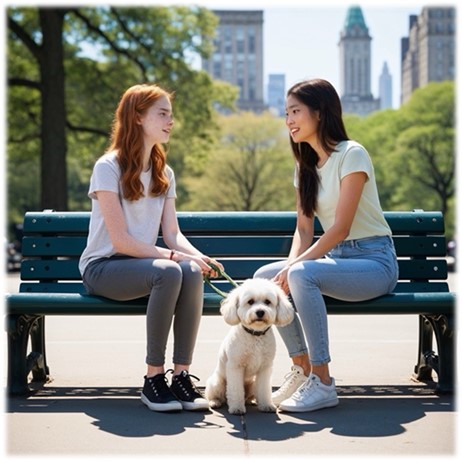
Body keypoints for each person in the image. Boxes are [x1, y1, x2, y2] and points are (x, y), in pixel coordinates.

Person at [254, 78, 399, 412]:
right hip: (334, 261)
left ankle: (323, 379)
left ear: (318, 113)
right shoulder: (305, 167)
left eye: (295, 111)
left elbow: (339, 228)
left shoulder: (352, 154)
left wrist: (294, 269)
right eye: (286, 112)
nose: (288, 120)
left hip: (374, 262)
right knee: (266, 277)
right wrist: (285, 272)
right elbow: (303, 230)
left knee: (301, 273)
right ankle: (302, 368)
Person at [79, 83, 223, 412]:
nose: (171, 121)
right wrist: (174, 256)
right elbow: (120, 241)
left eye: (171, 115)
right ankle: (153, 378)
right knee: (170, 269)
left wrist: (197, 257)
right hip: (103, 268)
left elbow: (172, 234)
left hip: (142, 268)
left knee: (188, 270)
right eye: (162, 114)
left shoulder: (164, 172)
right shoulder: (108, 167)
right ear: (138, 117)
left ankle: (181, 377)